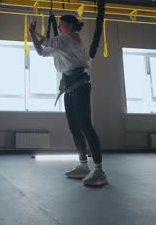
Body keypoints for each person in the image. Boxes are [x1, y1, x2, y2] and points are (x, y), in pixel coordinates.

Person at [29, 15, 108, 186]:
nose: (58, 28)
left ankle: (99, 170)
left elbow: (45, 41)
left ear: (71, 26)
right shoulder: (61, 43)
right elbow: (41, 51)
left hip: (80, 85)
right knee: (74, 126)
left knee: (85, 125)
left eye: (61, 25)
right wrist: (33, 35)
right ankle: (83, 166)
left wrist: (34, 33)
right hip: (69, 86)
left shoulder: (71, 38)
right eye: (58, 26)